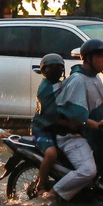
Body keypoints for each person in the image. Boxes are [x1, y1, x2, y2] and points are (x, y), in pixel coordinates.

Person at [51, 40, 103, 201]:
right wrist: (98, 124)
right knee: (88, 170)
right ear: (88, 58)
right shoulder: (78, 80)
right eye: (100, 56)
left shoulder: (94, 77)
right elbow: (76, 116)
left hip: (91, 132)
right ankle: (51, 195)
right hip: (72, 135)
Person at [31, 54, 67, 196]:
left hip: (56, 128)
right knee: (51, 154)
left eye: (58, 67)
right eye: (51, 68)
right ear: (44, 71)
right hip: (43, 128)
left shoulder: (58, 85)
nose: (55, 70)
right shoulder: (47, 88)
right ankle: (41, 184)